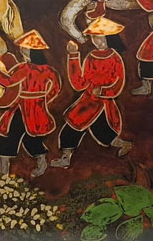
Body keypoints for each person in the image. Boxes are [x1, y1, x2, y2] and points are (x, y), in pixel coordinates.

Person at [51, 17, 132, 169]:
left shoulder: (115, 59)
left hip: (102, 103)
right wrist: (73, 56)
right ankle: (66, 158)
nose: (96, 41)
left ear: (109, 38)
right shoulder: (91, 57)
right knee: (80, 128)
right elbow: (79, 83)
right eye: (94, 37)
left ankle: (122, 144)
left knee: (92, 130)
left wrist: (102, 91)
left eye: (100, 37)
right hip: (87, 101)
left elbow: (118, 85)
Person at [0, 30, 61, 178]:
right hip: (36, 109)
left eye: (24, 48)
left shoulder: (25, 69)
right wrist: (42, 100)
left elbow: (7, 81)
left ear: (31, 51)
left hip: (23, 107)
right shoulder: (50, 71)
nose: (21, 50)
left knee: (14, 135)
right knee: (17, 134)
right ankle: (7, 169)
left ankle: (9, 169)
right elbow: (55, 89)